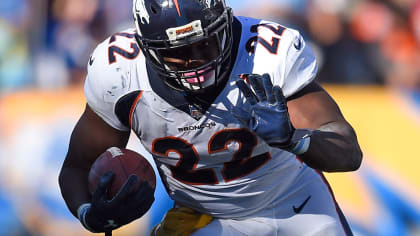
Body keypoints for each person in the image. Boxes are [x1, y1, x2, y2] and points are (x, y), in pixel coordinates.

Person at [58, 0, 363, 235]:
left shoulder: (267, 54)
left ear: (226, 25)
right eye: (178, 52)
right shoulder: (120, 73)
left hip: (296, 204)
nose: (196, 61)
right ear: (147, 49)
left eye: (205, 43)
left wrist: (293, 138)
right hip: (204, 217)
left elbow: (348, 152)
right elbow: (77, 165)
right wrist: (90, 214)